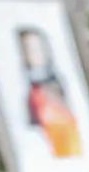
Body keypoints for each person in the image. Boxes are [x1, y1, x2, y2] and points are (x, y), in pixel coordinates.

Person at [17, 26, 82, 159]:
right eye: (27, 50)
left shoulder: (55, 81)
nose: (32, 54)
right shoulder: (29, 86)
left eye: (35, 49)